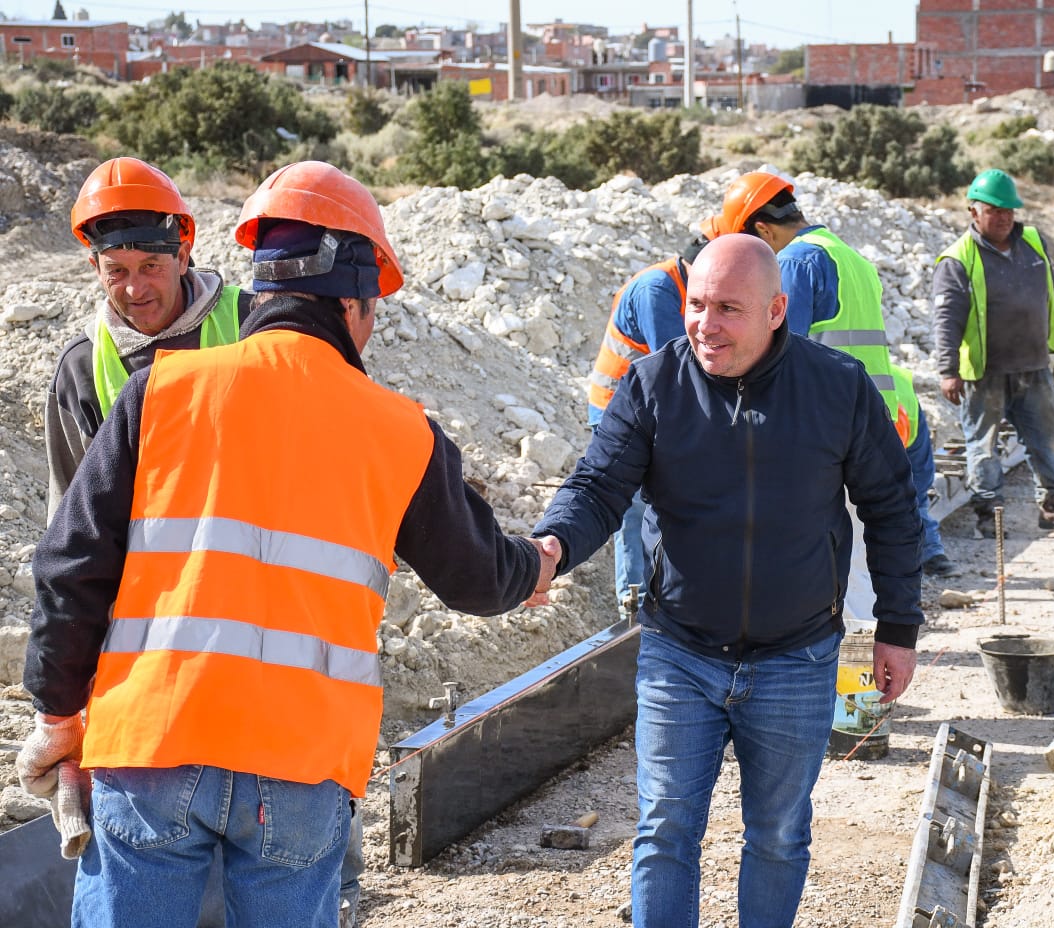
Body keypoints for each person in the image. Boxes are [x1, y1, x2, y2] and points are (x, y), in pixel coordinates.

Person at [18, 160, 557, 928]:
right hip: (299, 769)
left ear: (261, 294)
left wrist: (58, 714)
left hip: (151, 744)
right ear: (357, 306)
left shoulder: (159, 392)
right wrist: (533, 563)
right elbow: (476, 578)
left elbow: (70, 567)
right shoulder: (399, 428)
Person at [532, 234, 923, 928]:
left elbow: (891, 506)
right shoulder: (654, 385)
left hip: (797, 658)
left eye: (729, 310)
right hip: (679, 653)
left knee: (777, 835)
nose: (705, 325)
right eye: (698, 305)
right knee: (664, 831)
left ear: (776, 311)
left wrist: (897, 629)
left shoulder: (836, 388)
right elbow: (598, 486)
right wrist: (552, 545)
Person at [706, 171, 959, 578]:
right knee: (859, 561)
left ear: (764, 231)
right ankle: (858, 641)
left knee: (844, 572)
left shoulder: (795, 261)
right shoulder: (850, 257)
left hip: (830, 435)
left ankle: (856, 645)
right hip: (873, 426)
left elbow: (778, 360)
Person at [45, 156, 251, 522]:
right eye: (117, 271)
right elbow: (70, 522)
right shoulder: (81, 368)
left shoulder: (250, 322)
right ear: (95, 269)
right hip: (148, 578)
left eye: (151, 266)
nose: (134, 288)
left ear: (183, 256)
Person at [931, 167, 1054, 537]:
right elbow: (946, 319)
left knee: (1047, 439)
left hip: (1034, 365)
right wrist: (948, 369)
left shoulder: (1034, 243)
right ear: (974, 212)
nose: (1004, 217)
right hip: (986, 372)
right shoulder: (958, 259)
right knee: (984, 448)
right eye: (994, 210)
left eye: (1009, 210)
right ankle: (990, 518)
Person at [587, 235, 708, 613]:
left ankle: (664, 597)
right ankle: (633, 604)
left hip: (650, 410)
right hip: (618, 412)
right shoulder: (658, 290)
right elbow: (674, 368)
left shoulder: (682, 287)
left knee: (657, 506)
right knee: (633, 508)